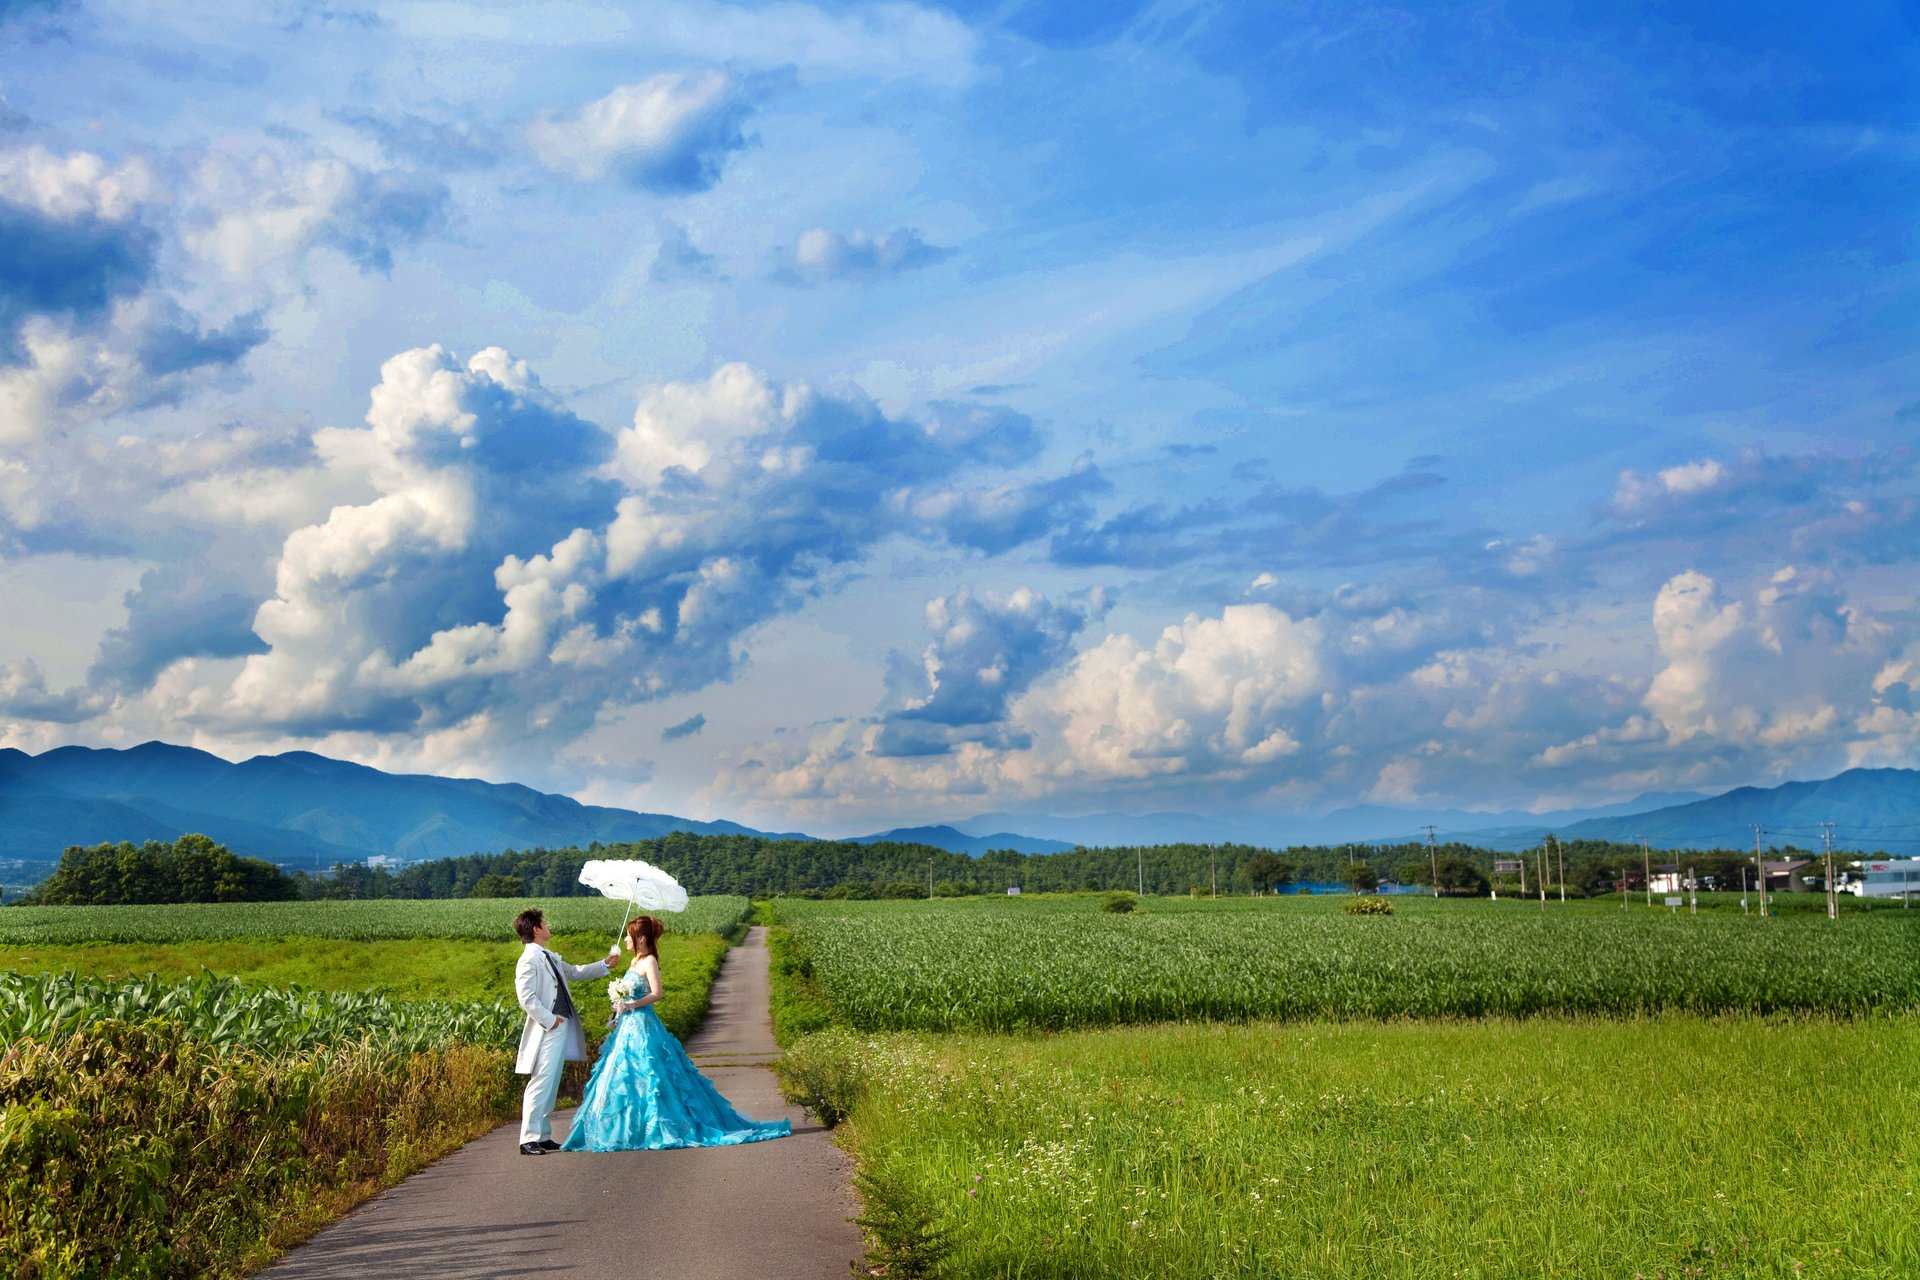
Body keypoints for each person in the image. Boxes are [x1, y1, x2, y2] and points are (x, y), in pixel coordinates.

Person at [560, 914, 791, 1151]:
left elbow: (657, 993)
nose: (626, 941)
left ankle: (656, 1125)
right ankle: (627, 1127)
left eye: (629, 936)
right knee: (622, 1074)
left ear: (640, 938)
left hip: (644, 1024)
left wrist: (631, 1004)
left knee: (651, 1073)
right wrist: (620, 1003)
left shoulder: (649, 961)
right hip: (627, 1025)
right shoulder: (633, 962)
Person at [513, 907, 618, 1155]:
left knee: (551, 1082)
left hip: (559, 1026)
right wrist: (550, 1021)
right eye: (544, 923)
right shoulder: (529, 958)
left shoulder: (547, 955)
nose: (548, 925)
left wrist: (604, 964)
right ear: (536, 929)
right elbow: (526, 997)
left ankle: (543, 1135)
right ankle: (528, 1139)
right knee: (540, 1081)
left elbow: (573, 972)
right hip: (547, 1027)